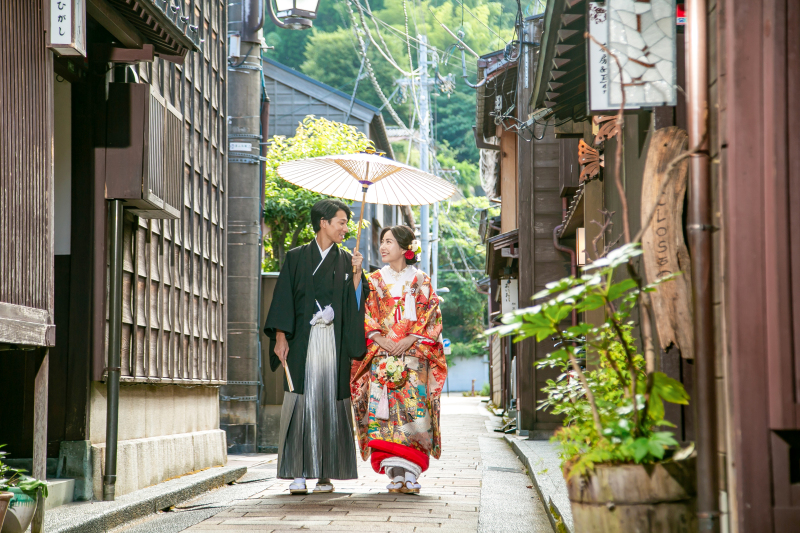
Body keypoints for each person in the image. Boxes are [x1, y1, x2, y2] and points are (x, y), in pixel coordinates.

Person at [264, 199, 369, 495]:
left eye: (346, 223)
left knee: (328, 404)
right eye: (341, 222)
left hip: (333, 341)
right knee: (300, 403)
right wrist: (281, 336)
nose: (346, 228)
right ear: (324, 223)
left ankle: (325, 473)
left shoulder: (347, 260)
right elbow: (284, 298)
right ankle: (298, 472)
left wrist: (357, 277)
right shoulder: (297, 257)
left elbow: (356, 304)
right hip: (303, 340)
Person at [350, 225, 447, 495]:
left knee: (415, 414)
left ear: (405, 248)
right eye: (382, 241)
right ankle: (394, 474)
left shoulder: (422, 280)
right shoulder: (373, 280)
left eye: (389, 241)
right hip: (381, 355)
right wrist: (380, 338)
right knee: (384, 417)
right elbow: (363, 311)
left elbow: (432, 316)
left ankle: (411, 473)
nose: (383, 246)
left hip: (414, 356)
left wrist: (411, 338)